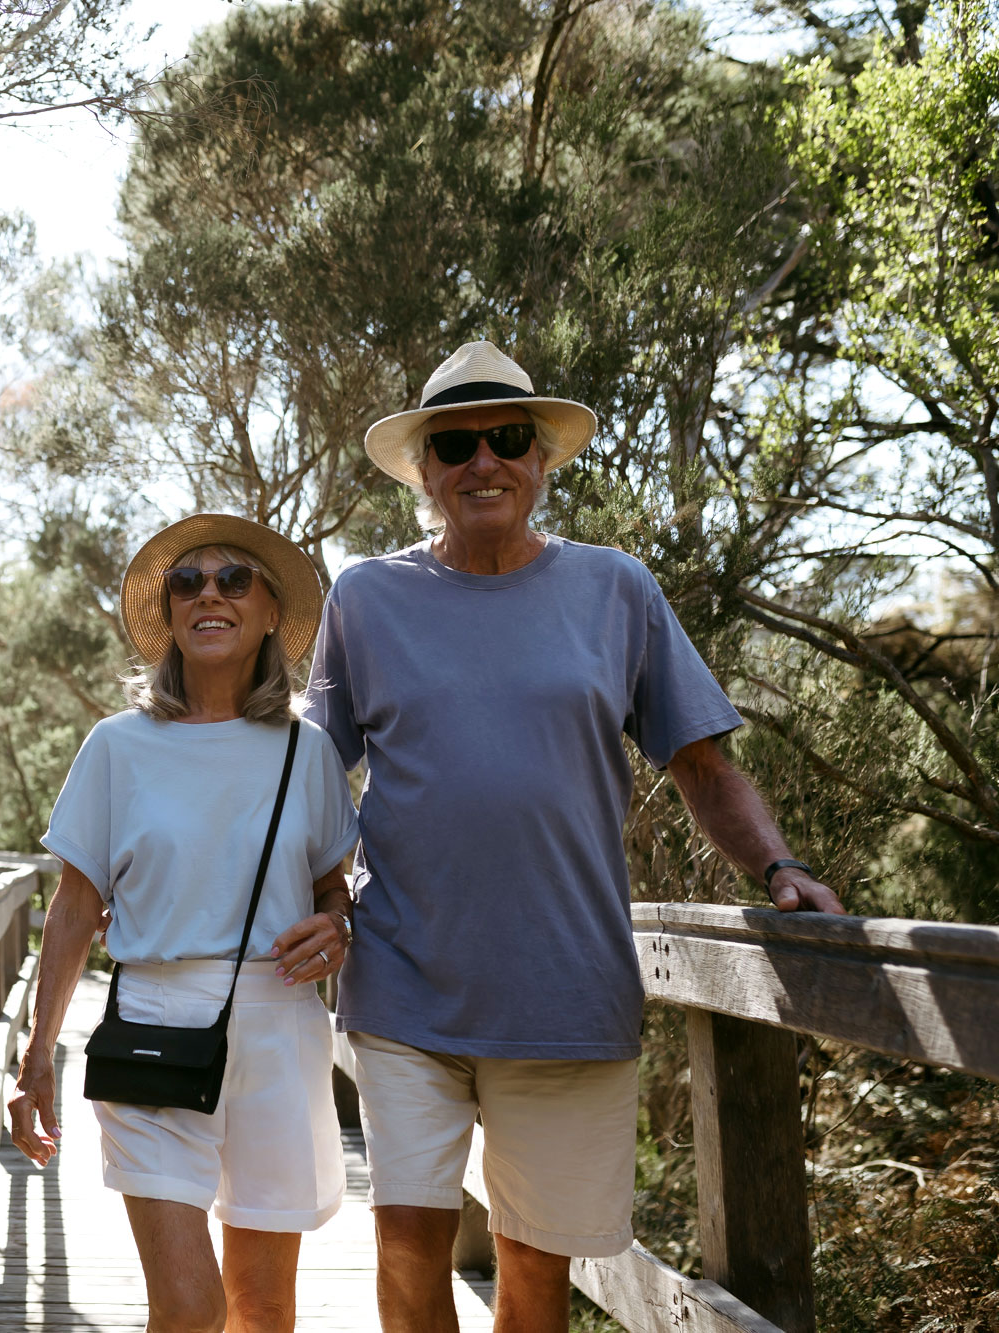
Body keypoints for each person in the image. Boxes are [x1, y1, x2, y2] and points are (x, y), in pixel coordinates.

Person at [307, 341, 846, 1333]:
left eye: (506, 438)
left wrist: (778, 865)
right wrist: (321, 893)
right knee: (407, 1243)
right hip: (403, 979)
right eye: (455, 445)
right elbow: (309, 778)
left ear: (540, 458)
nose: (482, 462)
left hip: (563, 988)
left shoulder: (615, 589)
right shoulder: (365, 599)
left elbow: (701, 764)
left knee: (533, 1264)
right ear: (423, 472)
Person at [7, 514, 361, 1333]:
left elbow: (330, 888)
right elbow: (73, 909)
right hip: (152, 1027)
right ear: (168, 613)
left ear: (270, 612)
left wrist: (337, 924)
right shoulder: (117, 747)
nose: (209, 594)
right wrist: (36, 1056)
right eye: (187, 582)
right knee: (192, 1307)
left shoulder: (307, 750)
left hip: (279, 1026)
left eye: (234, 579)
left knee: (264, 1308)